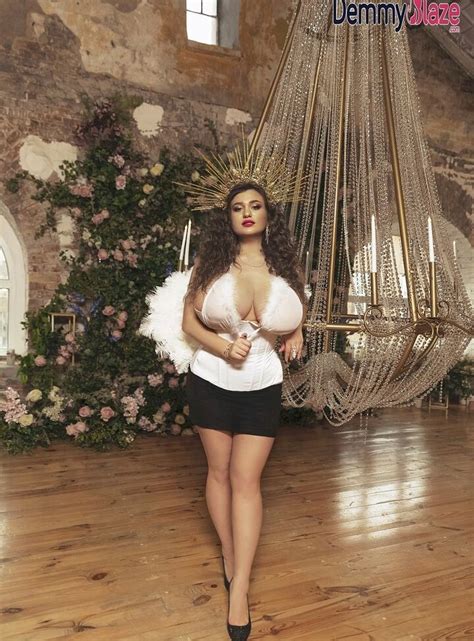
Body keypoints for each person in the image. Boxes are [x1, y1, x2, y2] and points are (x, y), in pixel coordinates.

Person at [182, 180, 307, 640]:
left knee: (246, 480)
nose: (247, 213)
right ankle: (230, 556)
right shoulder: (212, 261)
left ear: (268, 214)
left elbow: (293, 305)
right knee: (219, 473)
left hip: (262, 384)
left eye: (255, 205)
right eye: (238, 207)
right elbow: (188, 321)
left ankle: (241, 589)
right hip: (210, 380)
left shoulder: (286, 265)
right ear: (229, 217)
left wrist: (297, 330)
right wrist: (221, 346)